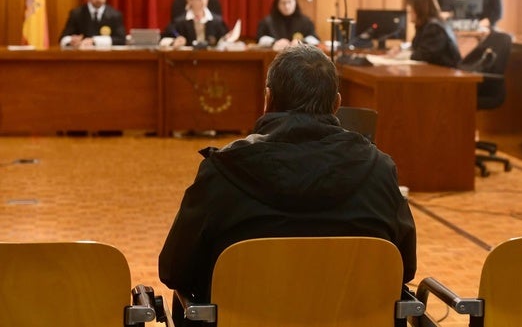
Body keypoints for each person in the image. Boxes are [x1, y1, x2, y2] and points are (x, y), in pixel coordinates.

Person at [159, 44, 417, 317]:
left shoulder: (222, 172)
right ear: (337, 105)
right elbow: (405, 268)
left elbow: (174, 270)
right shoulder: (379, 170)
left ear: (267, 100)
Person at [59, 0, 126, 47]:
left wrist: (94, 41)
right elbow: (63, 39)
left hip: (107, 56)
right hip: (83, 56)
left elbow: (121, 39)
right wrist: (71, 41)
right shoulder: (77, 14)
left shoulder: (115, 15)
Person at [161, 0, 229, 48]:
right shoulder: (179, 22)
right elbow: (163, 40)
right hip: (186, 58)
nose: (203, 0)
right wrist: (174, 42)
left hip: (212, 58)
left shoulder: (217, 21)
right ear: (189, 0)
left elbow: (225, 41)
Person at [405, 0, 461, 67]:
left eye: (411, 10)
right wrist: (402, 49)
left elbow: (423, 55)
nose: (410, 13)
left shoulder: (434, 28)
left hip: (446, 74)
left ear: (420, 10)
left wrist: (400, 56)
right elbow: (417, 47)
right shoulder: (425, 26)